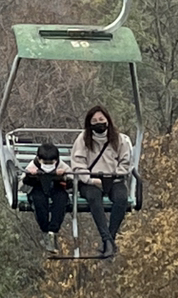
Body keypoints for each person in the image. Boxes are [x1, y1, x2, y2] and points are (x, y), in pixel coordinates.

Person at [69, 104, 133, 257]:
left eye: (101, 119)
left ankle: (109, 240)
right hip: (91, 181)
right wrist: (90, 179)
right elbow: (78, 164)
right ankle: (108, 240)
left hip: (113, 179)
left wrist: (114, 176)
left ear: (107, 120)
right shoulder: (83, 139)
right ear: (89, 123)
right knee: (93, 197)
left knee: (121, 198)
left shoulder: (119, 139)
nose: (98, 123)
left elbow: (125, 162)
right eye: (95, 120)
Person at [21, 141, 71, 252]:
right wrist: (31, 176)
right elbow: (23, 186)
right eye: (45, 162)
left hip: (56, 188)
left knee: (61, 200)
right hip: (38, 189)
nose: (48, 165)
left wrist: (63, 177)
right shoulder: (32, 166)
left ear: (57, 160)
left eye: (51, 162)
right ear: (39, 159)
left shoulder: (62, 166)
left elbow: (72, 184)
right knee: (39, 201)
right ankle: (45, 230)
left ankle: (53, 231)